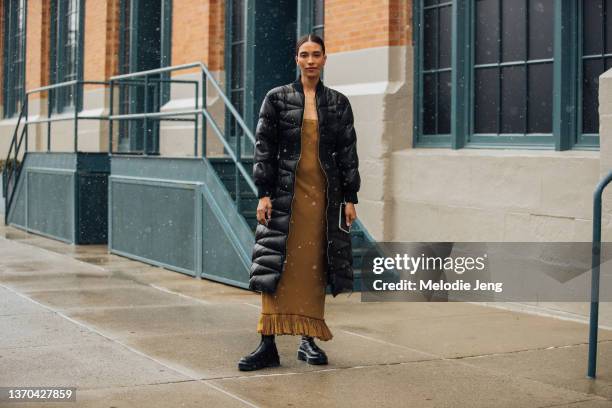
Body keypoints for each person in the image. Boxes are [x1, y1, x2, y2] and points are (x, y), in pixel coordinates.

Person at [238, 33, 361, 371]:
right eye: (304, 54)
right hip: (283, 195)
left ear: (324, 59)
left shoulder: (338, 103)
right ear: (296, 59)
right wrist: (263, 192)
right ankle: (267, 344)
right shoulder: (276, 99)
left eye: (316, 54)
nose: (310, 60)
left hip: (322, 198)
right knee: (276, 264)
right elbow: (264, 147)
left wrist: (350, 198)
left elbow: (348, 153)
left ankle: (308, 341)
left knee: (314, 268)